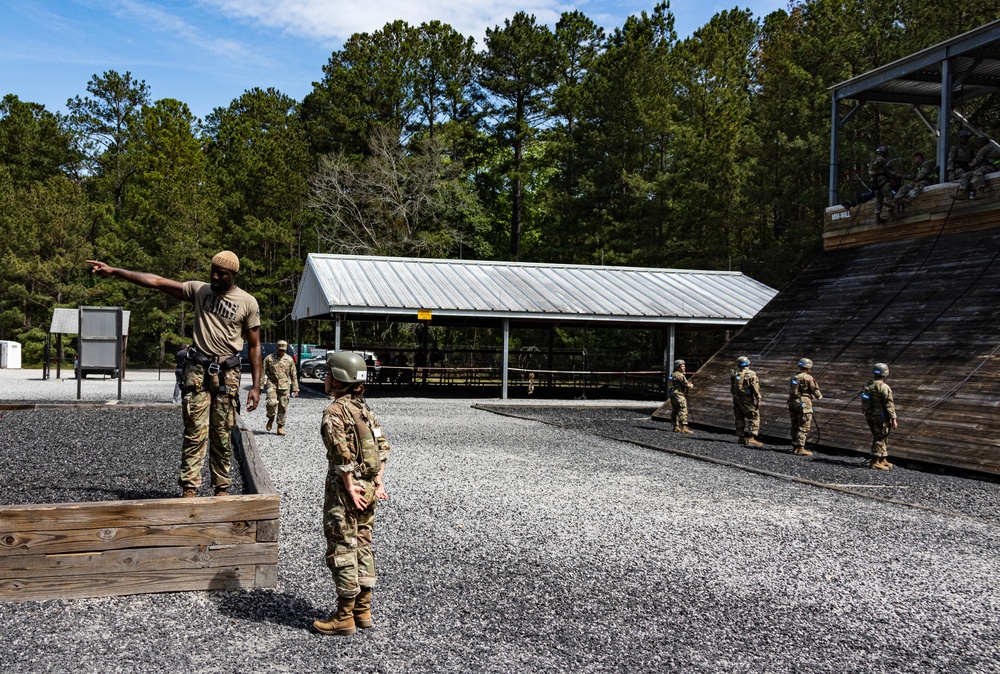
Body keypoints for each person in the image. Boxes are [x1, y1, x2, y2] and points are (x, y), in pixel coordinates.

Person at [87, 251, 262, 497]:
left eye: (221, 273)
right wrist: (114, 271)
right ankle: (189, 490)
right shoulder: (199, 291)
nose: (214, 276)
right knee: (194, 432)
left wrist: (256, 386)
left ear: (233, 275)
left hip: (227, 375)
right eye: (212, 270)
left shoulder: (247, 302)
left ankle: (222, 490)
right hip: (197, 372)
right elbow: (156, 281)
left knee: (223, 433)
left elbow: (255, 346)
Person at [313, 351, 391, 636]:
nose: (326, 377)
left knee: (342, 546)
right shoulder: (364, 409)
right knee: (363, 543)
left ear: (338, 379)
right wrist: (378, 483)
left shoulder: (335, 412)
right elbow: (382, 448)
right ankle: (363, 610)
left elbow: (340, 453)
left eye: (328, 372)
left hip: (347, 491)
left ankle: (344, 616)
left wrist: (348, 486)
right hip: (369, 487)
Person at [861, 362, 897, 471]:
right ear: (885, 374)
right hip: (881, 416)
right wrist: (893, 418)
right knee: (880, 437)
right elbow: (889, 404)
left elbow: (864, 398)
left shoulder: (868, 384)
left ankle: (882, 458)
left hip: (870, 414)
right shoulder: (884, 387)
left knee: (880, 435)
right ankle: (875, 461)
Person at [787, 358, 822, 456]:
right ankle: (801, 448)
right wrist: (818, 396)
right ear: (808, 367)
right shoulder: (808, 378)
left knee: (795, 425)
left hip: (792, 402)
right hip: (804, 404)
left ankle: (795, 446)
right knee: (804, 426)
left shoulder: (794, 377)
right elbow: (815, 390)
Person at [263, 339, 299, 435]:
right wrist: (259, 387)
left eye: (283, 350)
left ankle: (280, 427)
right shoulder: (269, 359)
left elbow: (294, 375)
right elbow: (262, 372)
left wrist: (295, 388)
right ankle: (271, 417)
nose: (281, 352)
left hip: (285, 386)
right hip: (272, 384)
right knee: (271, 403)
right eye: (280, 350)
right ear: (276, 348)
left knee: (283, 407)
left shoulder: (289, 360)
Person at [731, 355, 763, 447]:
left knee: (739, 417)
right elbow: (755, 388)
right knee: (754, 416)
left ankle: (740, 438)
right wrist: (758, 398)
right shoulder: (751, 374)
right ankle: (751, 438)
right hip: (747, 399)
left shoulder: (735, 373)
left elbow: (732, 388)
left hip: (736, 398)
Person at [868, 145, 901, 224]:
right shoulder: (881, 160)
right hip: (882, 181)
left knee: (879, 199)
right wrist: (896, 175)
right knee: (890, 197)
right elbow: (887, 171)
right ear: (883, 153)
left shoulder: (873, 160)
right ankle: (891, 215)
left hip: (874, 183)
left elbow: (871, 171)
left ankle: (878, 218)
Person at [668, 359, 695, 434]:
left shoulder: (673, 374)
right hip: (679, 395)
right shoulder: (680, 375)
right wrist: (691, 385)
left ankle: (675, 426)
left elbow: (670, 385)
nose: (684, 368)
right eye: (682, 366)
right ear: (678, 367)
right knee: (683, 409)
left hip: (673, 395)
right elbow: (686, 384)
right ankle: (684, 427)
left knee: (675, 410)